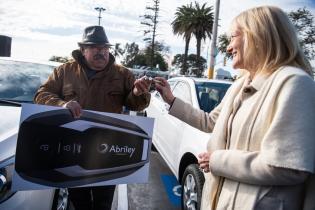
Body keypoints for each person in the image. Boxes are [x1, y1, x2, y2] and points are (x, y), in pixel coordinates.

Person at [154, 6, 315, 210]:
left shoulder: (295, 83)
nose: (228, 48)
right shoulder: (240, 84)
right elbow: (211, 121)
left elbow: (287, 168)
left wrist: (217, 161)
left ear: (257, 36)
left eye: (232, 37)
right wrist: (170, 99)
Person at [34, 25, 152, 210]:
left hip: (107, 152)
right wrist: (62, 104)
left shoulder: (122, 74)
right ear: (83, 50)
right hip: (73, 150)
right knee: (79, 202)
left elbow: (136, 105)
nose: (102, 52)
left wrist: (137, 92)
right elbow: (41, 94)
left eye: (105, 48)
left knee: (103, 203)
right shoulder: (64, 71)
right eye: (96, 48)